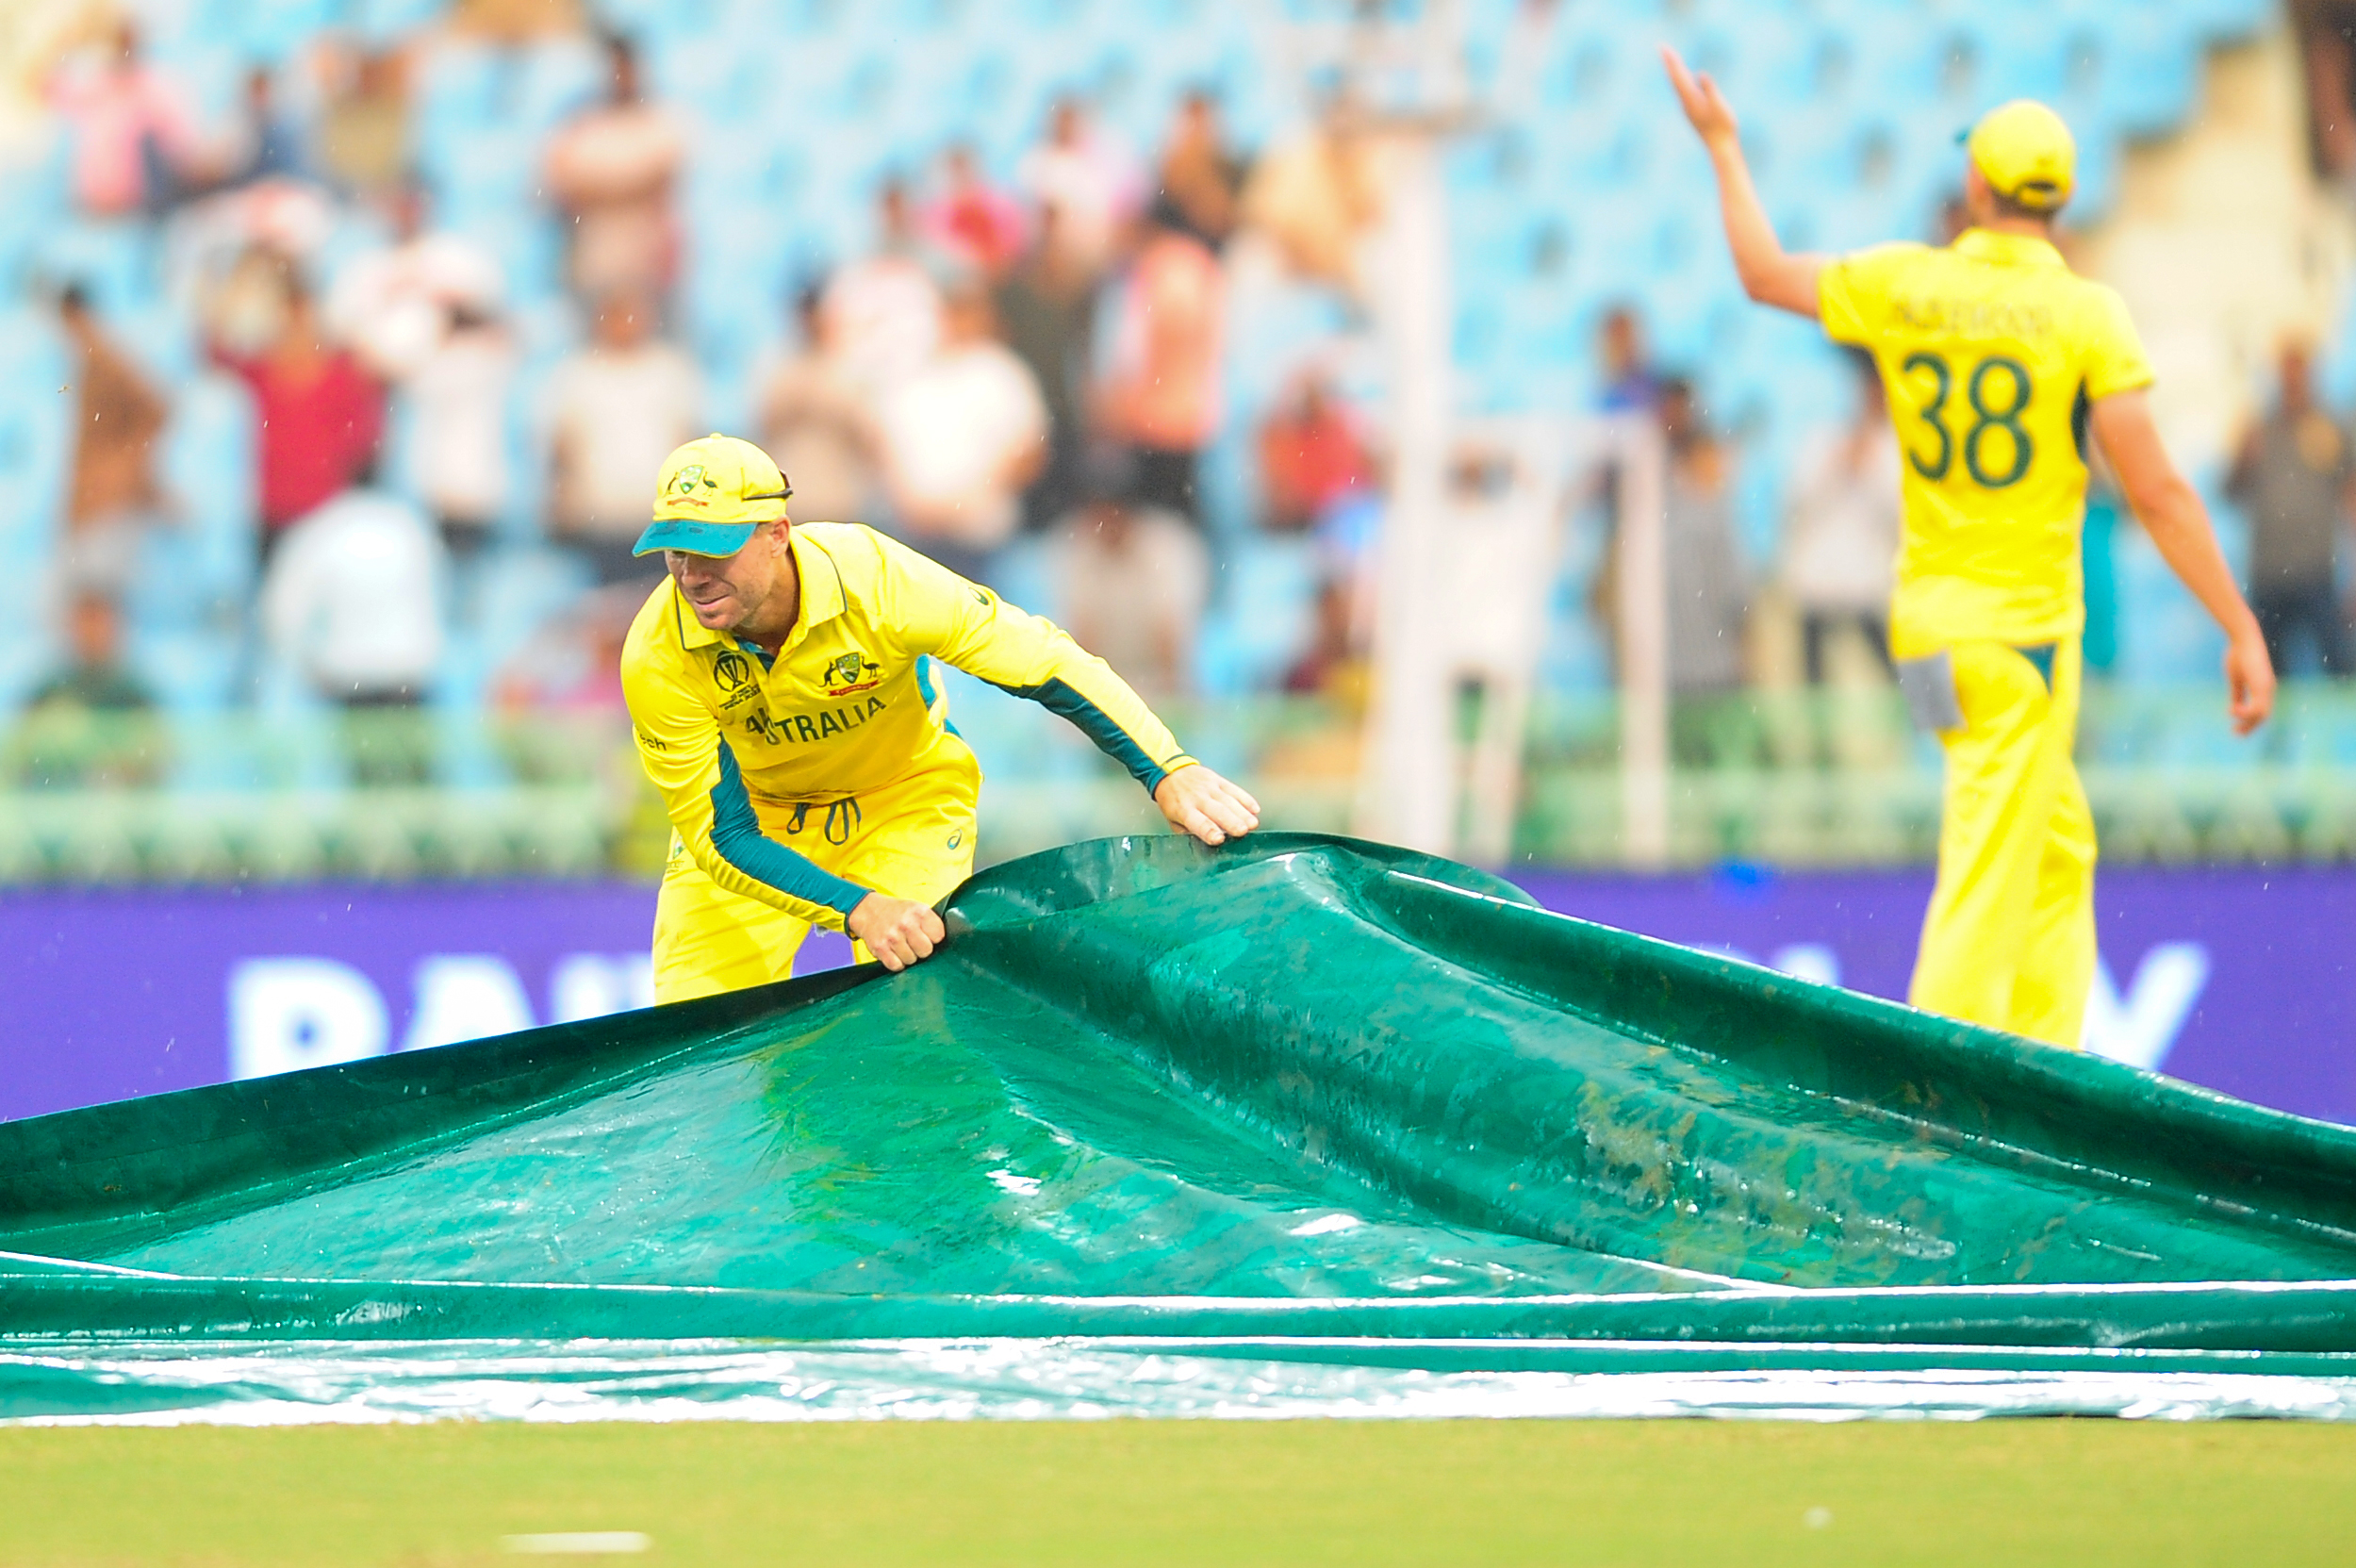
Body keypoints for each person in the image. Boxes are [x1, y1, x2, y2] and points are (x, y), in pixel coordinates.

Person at [1667, 58, 2275, 1048]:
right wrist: (2239, 624)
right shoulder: (2085, 314)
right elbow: (2157, 491)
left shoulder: (1912, 283)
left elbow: (1763, 273)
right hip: (2019, 644)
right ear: (2061, 200)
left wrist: (1725, 146)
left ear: (1977, 190)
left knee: (2055, 846)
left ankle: (2049, 1055)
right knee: (1989, 867)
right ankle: (1939, 1095)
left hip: (1926, 645)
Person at [619, 434, 1260, 996]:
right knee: (695, 1039)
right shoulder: (656, 653)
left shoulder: (876, 578)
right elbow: (722, 838)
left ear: (777, 534)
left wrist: (1166, 768)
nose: (690, 576)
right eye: (675, 552)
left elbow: (1040, 660)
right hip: (757, 822)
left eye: (712, 552)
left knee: (907, 1015)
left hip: (901, 800)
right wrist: (857, 906)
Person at [872, 282, 1048, 586]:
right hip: (914, 532)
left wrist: (970, 499)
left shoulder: (1001, 371)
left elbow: (1029, 451)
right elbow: (880, 443)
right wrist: (913, 503)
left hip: (979, 536)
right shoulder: (907, 374)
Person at [209, 271, 386, 567]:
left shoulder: (343, 375)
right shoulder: (258, 372)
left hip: (324, 518)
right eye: (285, 318)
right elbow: (212, 348)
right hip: (270, 516)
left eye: (299, 317)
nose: (293, 329)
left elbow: (363, 446)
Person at [545, 290, 703, 585]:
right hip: (600, 513)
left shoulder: (669, 370)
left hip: (657, 513)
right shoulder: (578, 373)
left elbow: (687, 442)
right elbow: (563, 444)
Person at [260, 470, 449, 708]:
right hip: (407, 676)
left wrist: (307, 664)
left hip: (349, 676)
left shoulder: (324, 527)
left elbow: (284, 610)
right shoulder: (408, 525)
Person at [2227, 339, 2355, 677]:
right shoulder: (2260, 429)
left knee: (2339, 667)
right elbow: (2231, 493)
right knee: (2269, 671)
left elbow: (2350, 495)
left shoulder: (2332, 427)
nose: (2293, 375)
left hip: (2317, 572)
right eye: (2287, 366)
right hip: (2269, 573)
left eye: (2300, 366)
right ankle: (2277, 733)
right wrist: (2243, 455)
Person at [1096, 201, 1224, 526]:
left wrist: (1115, 403)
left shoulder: (1151, 269)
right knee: (1184, 521)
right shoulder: (1202, 264)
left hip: (1150, 420)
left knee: (1155, 521)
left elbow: (1131, 348)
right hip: (1197, 418)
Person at [1782, 351, 1902, 685]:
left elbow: (1900, 513)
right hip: (1818, 587)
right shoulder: (1823, 437)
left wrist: (1870, 465)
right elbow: (1796, 499)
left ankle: (1910, 738)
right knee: (1815, 691)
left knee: (1895, 684)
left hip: (1867, 587)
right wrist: (1838, 464)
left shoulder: (1895, 447)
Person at [543, 33, 685, 307]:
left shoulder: (662, 121)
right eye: (615, 68)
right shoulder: (582, 125)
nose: (621, 76)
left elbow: (660, 179)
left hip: (650, 265)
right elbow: (564, 190)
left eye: (626, 68)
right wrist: (630, 183)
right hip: (596, 266)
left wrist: (602, 186)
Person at [1054, 453, 1209, 703]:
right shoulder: (1074, 549)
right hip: (1101, 690)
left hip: (1162, 688)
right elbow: (1081, 641)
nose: (1105, 519)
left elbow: (1171, 642)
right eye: (1097, 509)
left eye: (1113, 508)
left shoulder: (1169, 546)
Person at [57, 285, 171, 595]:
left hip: (107, 502)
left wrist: (128, 463)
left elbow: (157, 407)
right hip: (92, 499)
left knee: (97, 598)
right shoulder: (85, 359)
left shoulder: (104, 356)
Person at [12, 589, 160, 790]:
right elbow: (18, 755)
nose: (92, 633)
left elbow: (159, 756)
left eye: (99, 623)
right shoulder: (49, 691)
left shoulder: (134, 694)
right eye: (85, 623)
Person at [758, 285, 880, 526]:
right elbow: (765, 423)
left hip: (837, 500)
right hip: (790, 499)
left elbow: (869, 439)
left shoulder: (850, 369)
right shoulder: (780, 367)